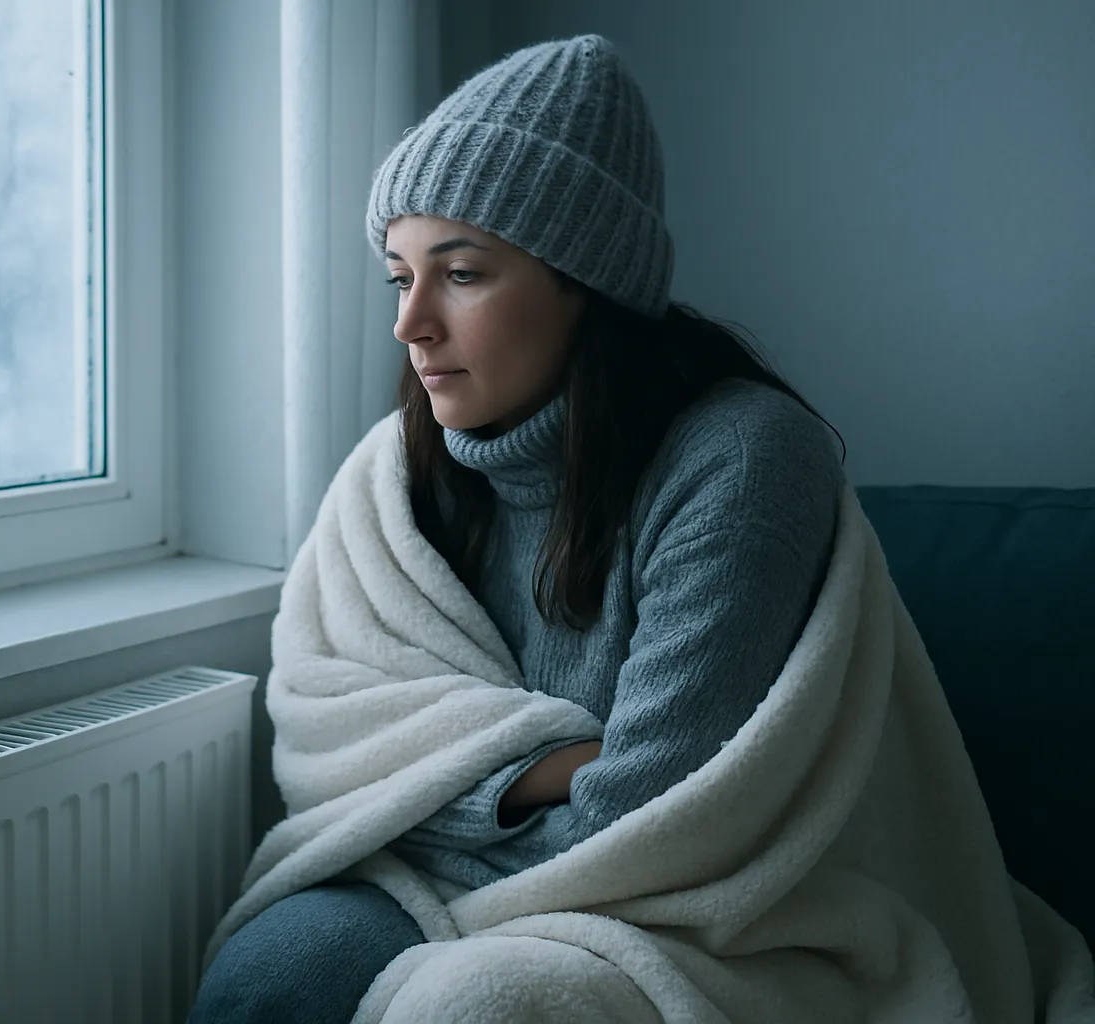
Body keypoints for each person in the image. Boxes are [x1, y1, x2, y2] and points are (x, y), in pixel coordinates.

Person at [188, 33, 843, 1023]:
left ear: (586, 280)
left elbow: (660, 816)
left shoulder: (743, 458)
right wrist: (547, 767)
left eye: (460, 274)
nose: (411, 326)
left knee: (471, 1007)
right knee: (269, 978)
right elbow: (327, 743)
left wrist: (440, 782)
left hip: (704, 909)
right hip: (435, 876)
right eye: (399, 277)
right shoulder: (395, 476)